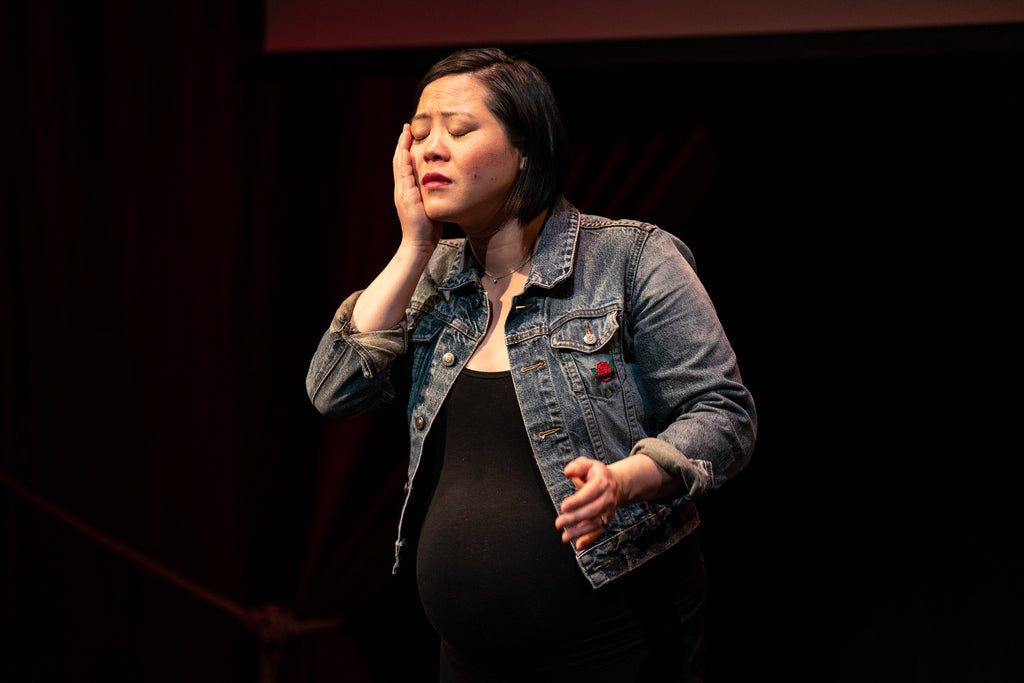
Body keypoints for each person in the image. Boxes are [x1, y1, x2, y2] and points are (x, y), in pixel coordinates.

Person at [306, 47, 756, 682]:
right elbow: (333, 389)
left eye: (460, 131)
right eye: (420, 132)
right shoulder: (435, 278)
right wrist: (414, 245)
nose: (431, 148)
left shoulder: (630, 259)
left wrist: (628, 478)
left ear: (527, 150)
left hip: (616, 639)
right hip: (466, 660)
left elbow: (724, 414)